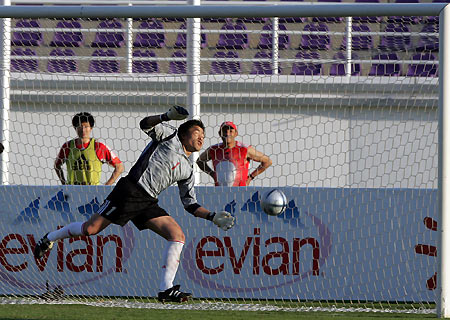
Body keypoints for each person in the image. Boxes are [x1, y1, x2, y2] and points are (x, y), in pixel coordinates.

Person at [34, 106, 235, 302]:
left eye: (203, 135)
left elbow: (190, 204)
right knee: (90, 229)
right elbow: (144, 124)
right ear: (183, 134)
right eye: (196, 132)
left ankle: (166, 289)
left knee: (177, 236)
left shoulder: (189, 169)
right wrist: (166, 116)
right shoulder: (170, 136)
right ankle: (49, 238)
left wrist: (212, 216)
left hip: (148, 201)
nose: (201, 138)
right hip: (130, 191)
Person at [54, 112, 124, 185]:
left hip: (93, 193)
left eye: (86, 126)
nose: (83, 130)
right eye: (80, 126)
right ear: (75, 128)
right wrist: (64, 184)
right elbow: (57, 165)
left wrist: (106, 185)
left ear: (91, 128)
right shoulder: (67, 146)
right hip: (73, 192)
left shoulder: (99, 147)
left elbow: (119, 167)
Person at [197, 121, 272, 186]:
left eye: (230, 131)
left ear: (236, 133)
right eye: (225, 131)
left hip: (240, 192)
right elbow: (199, 161)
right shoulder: (214, 149)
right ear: (220, 133)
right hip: (220, 192)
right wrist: (213, 174)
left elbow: (267, 161)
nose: (227, 133)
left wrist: (250, 177)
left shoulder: (244, 149)